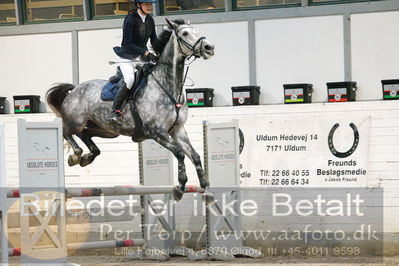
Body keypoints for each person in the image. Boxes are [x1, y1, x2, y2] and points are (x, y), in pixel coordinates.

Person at [109, 0, 158, 124]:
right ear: (138, 5)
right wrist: (146, 53)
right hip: (127, 57)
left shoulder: (150, 20)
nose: (149, 6)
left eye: (150, 4)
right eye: (146, 4)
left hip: (141, 58)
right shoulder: (130, 19)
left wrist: (162, 52)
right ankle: (115, 111)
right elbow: (128, 44)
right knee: (130, 80)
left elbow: (154, 41)